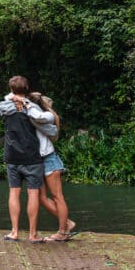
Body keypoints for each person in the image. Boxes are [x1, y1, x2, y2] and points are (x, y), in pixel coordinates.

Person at [0, 75, 47, 243]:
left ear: (12, 90)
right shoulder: (33, 107)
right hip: (32, 155)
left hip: (12, 155)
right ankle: (33, 235)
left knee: (14, 192)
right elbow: (43, 120)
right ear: (27, 90)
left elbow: (6, 100)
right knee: (33, 194)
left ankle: (14, 232)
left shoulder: (5, 106)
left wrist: (13, 96)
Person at [24, 92, 76, 242]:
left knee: (57, 196)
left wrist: (26, 103)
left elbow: (39, 117)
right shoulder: (33, 116)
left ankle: (62, 232)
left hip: (48, 159)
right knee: (41, 198)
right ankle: (67, 223)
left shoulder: (43, 116)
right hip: (37, 161)